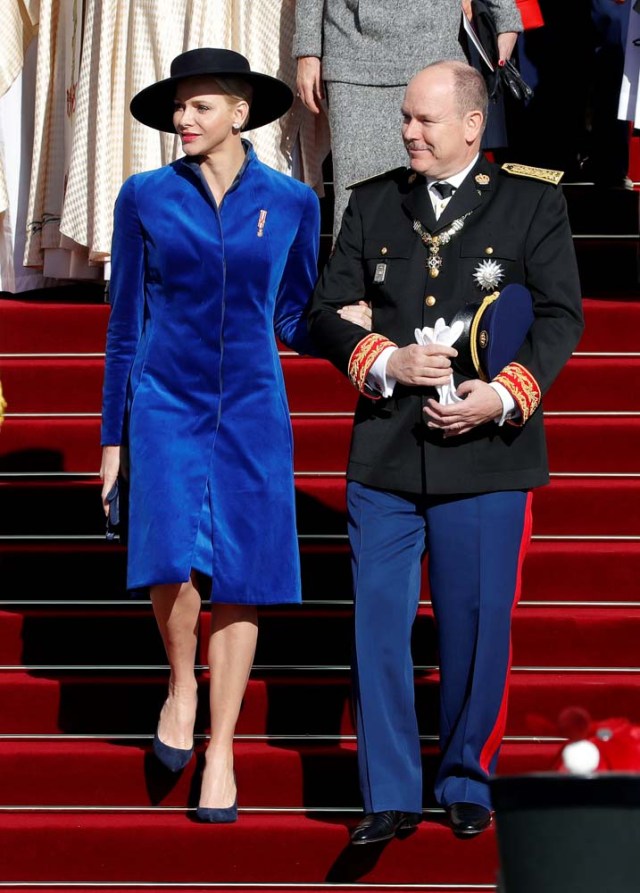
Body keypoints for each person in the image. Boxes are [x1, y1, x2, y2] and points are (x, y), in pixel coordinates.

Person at [308, 60, 584, 842]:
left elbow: (562, 317)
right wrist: (383, 358)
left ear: (473, 125)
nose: (407, 132)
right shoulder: (372, 202)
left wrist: (504, 393)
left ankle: (465, 773)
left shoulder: (533, 202)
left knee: (473, 622)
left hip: (491, 451)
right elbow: (324, 312)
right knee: (379, 624)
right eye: (404, 117)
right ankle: (388, 792)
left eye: (424, 120)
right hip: (387, 451)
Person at [99, 47, 331, 824]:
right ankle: (181, 682)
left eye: (199, 106)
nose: (182, 120)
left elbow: (295, 315)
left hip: (254, 409)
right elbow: (124, 324)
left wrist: (366, 342)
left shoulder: (296, 203)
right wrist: (112, 439)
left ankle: (223, 746)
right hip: (164, 401)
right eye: (178, 107)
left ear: (241, 111)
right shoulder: (143, 197)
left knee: (243, 574)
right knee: (171, 559)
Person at [294, 0, 522, 240]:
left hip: (438, 44)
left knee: (443, 202)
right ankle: (355, 278)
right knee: (358, 203)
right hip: (354, 53)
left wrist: (504, 13)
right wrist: (307, 49)